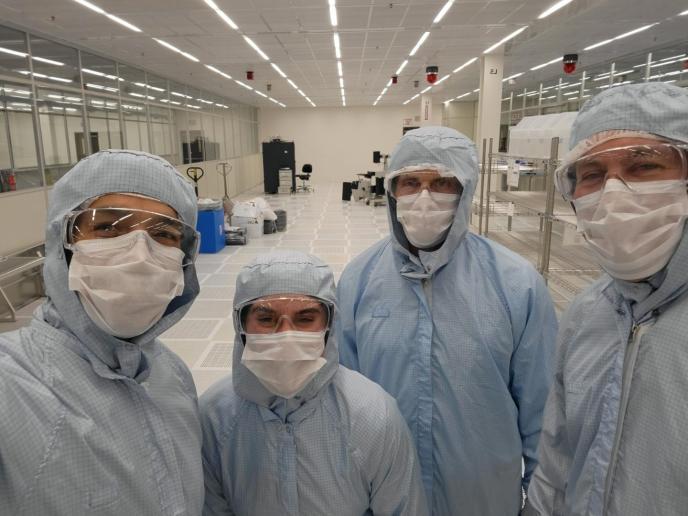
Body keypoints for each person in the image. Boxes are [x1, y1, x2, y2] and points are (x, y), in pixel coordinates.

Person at [336, 126, 558, 515]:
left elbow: (544, 411)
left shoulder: (516, 284)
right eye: (410, 182)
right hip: (387, 496)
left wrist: (539, 504)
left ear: (465, 190)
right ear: (393, 191)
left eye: (442, 182)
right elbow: (343, 403)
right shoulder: (359, 279)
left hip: (483, 497)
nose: (424, 197)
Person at [0, 150, 204, 515]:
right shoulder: (11, 386)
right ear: (62, 241)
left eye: (163, 234)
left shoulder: (172, 374)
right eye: (108, 227)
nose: (140, 255)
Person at [527, 82, 688, 516]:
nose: (613, 195)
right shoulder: (586, 312)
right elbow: (557, 454)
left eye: (644, 167)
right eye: (593, 175)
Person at [200, 251, 427, 516]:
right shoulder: (214, 418)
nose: (286, 335)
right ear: (241, 325)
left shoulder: (373, 416)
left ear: (329, 326)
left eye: (305, 319)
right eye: (266, 319)